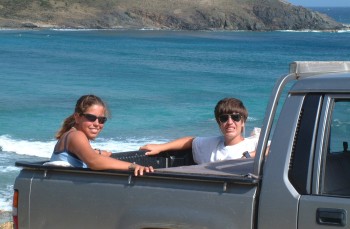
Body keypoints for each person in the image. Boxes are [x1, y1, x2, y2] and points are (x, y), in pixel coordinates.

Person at [50, 94, 154, 176]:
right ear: (77, 117)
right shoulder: (76, 135)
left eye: (101, 120)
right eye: (91, 118)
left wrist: (97, 152)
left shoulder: (71, 135)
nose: (96, 123)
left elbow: (87, 154)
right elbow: (94, 161)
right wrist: (133, 166)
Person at [140, 97, 259, 164]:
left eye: (235, 117)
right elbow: (190, 141)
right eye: (224, 118)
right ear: (219, 123)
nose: (230, 122)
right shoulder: (212, 144)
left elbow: (274, 150)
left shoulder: (253, 144)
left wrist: (251, 155)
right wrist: (161, 147)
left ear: (243, 122)